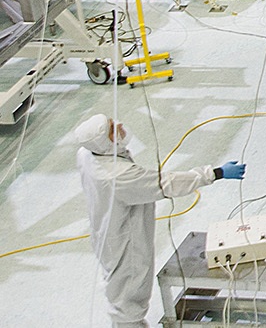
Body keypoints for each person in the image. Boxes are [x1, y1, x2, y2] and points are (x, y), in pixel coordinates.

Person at [72, 114, 245, 328]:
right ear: (103, 143)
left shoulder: (87, 154)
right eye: (112, 129)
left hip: (106, 232)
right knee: (128, 298)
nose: (119, 125)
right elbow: (166, 184)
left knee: (118, 288)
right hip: (126, 242)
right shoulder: (117, 175)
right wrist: (215, 173)